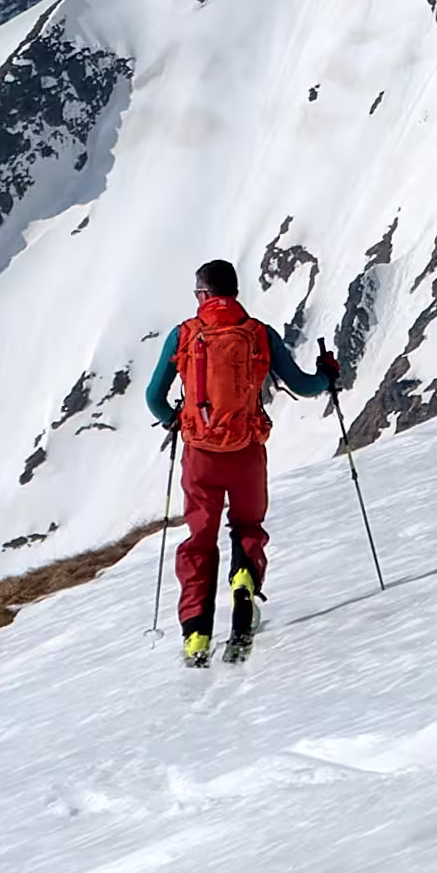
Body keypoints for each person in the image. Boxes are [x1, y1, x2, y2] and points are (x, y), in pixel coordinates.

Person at [144, 259, 334, 668]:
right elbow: (302, 384)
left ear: (205, 295)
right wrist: (326, 374)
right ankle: (244, 583)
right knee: (247, 527)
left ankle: (196, 634)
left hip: (200, 457)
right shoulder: (258, 334)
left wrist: (173, 419)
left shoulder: (184, 335)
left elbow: (153, 397)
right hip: (247, 452)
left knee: (199, 541)